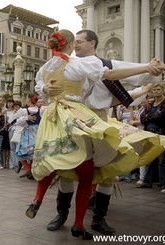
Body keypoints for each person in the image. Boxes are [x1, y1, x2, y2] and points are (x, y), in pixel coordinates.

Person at [27, 29, 164, 240]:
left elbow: (139, 74)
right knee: (68, 168)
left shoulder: (107, 64)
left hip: (99, 120)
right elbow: (43, 86)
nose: (77, 45)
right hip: (73, 120)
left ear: (93, 43)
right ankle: (62, 215)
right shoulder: (69, 66)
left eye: (81, 41)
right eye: (76, 41)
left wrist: (152, 68)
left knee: (107, 173)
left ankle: (98, 218)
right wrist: (46, 88)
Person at [139, 84, 165, 193]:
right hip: (149, 132)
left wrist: (150, 116)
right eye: (154, 89)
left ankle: (163, 184)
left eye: (158, 89)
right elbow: (142, 118)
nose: (156, 91)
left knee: (162, 160)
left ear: (162, 91)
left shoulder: (164, 103)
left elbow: (161, 116)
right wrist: (152, 115)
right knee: (148, 157)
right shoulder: (150, 104)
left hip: (161, 133)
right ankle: (146, 181)